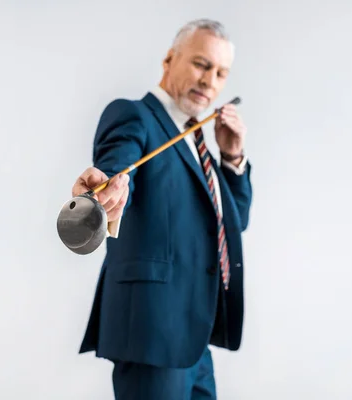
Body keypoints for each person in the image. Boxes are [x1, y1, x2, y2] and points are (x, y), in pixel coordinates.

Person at [71, 19, 252, 399]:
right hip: (152, 334)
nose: (210, 81)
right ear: (170, 59)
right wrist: (106, 189)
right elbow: (118, 168)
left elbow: (234, 223)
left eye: (221, 73)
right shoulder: (133, 116)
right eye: (201, 64)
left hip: (194, 339)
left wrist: (232, 157)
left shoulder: (199, 142)